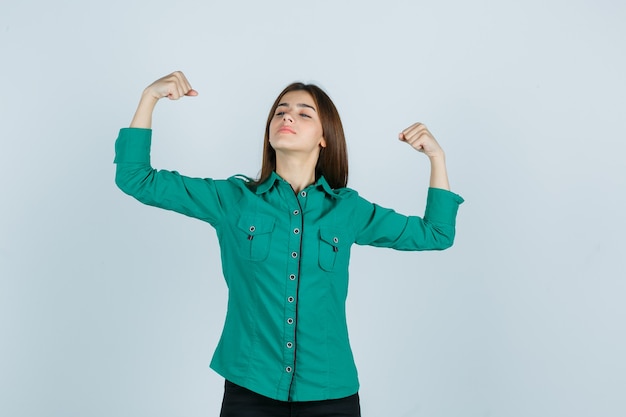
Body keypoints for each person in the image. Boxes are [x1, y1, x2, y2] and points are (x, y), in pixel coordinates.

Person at [114, 71, 464, 417]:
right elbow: (136, 178)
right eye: (280, 111)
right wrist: (150, 97)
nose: (287, 116)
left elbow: (436, 233)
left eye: (303, 113)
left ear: (324, 137)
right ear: (269, 134)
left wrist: (437, 158)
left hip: (331, 395)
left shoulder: (347, 211)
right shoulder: (231, 199)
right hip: (250, 390)